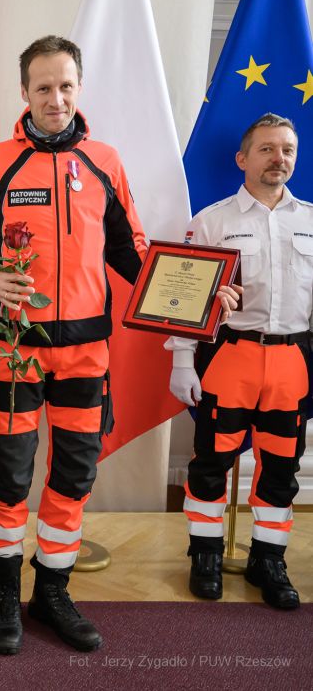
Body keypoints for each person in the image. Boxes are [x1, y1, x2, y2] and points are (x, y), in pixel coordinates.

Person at [0, 35, 147, 655]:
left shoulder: (105, 162)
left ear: (78, 88)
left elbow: (132, 250)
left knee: (74, 474)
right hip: (15, 350)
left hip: (87, 352)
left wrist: (191, 294)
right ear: (25, 92)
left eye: (65, 86)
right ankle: (4, 591)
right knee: (10, 474)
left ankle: (52, 591)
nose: (55, 98)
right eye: (42, 87)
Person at [168, 113, 308, 611]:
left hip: (292, 361)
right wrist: (181, 361)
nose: (278, 158)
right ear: (242, 158)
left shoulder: (311, 220)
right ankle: (204, 554)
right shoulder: (212, 222)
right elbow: (183, 298)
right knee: (211, 464)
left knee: (281, 469)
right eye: (267, 149)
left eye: (287, 149)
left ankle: (268, 560)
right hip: (231, 358)